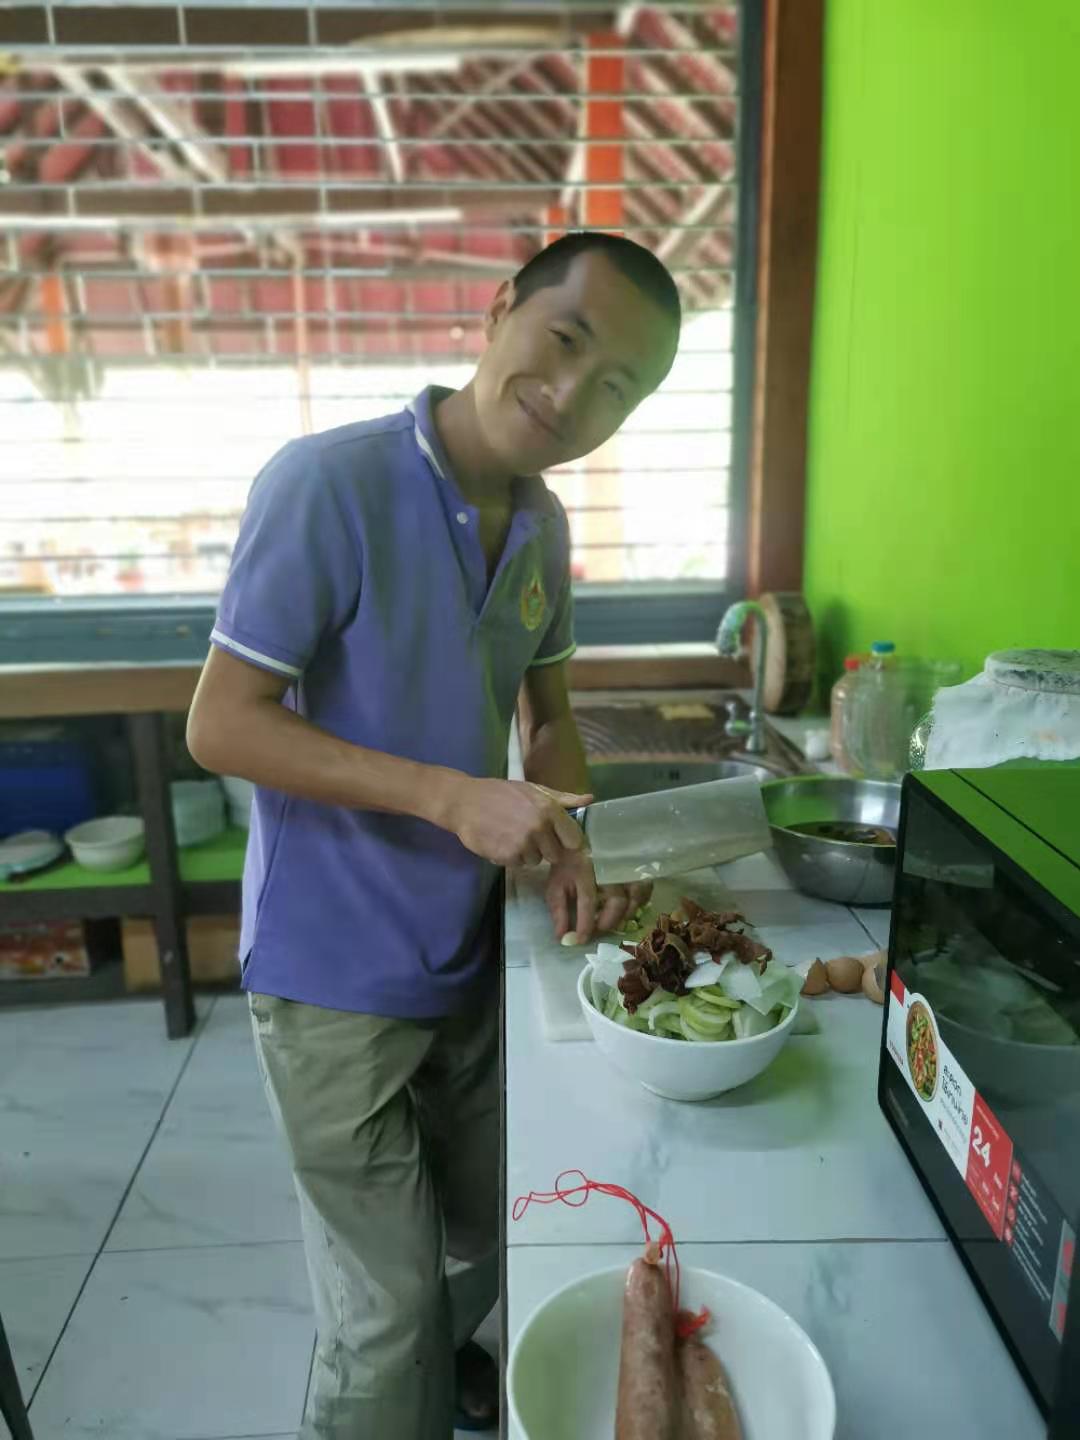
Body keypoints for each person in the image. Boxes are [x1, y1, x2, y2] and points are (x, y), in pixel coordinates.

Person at [186, 230, 682, 1439]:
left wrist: (574, 848)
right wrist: (454, 797)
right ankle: (395, 1380)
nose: (571, 394)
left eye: (616, 386)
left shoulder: (543, 529)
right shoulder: (330, 484)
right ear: (501, 308)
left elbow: (547, 720)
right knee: (383, 1311)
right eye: (564, 340)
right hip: (328, 971)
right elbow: (222, 723)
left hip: (467, 948)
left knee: (484, 1229)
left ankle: (436, 1365)